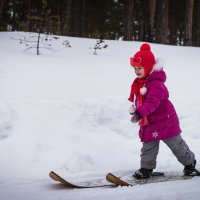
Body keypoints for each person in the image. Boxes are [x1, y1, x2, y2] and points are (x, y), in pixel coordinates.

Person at [128, 43, 199, 179]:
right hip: (150, 123)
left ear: (148, 67)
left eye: (140, 68)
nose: (137, 71)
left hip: (166, 121)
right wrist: (136, 109)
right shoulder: (141, 83)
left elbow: (152, 102)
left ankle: (190, 164)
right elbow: (141, 100)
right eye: (135, 68)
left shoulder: (156, 84)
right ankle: (146, 169)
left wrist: (140, 112)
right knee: (148, 147)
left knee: (176, 145)